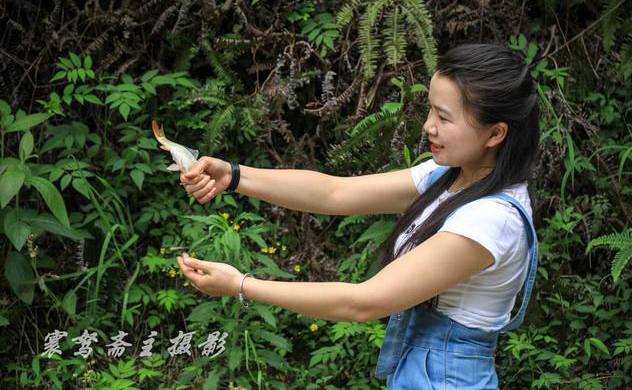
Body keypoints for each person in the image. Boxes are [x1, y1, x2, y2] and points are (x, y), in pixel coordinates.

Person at [176, 43, 540, 389]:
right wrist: (234, 176)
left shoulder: (491, 219)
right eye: (430, 110)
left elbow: (363, 302)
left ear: (495, 133)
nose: (428, 126)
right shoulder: (450, 175)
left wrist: (242, 285)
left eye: (444, 117)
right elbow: (336, 193)